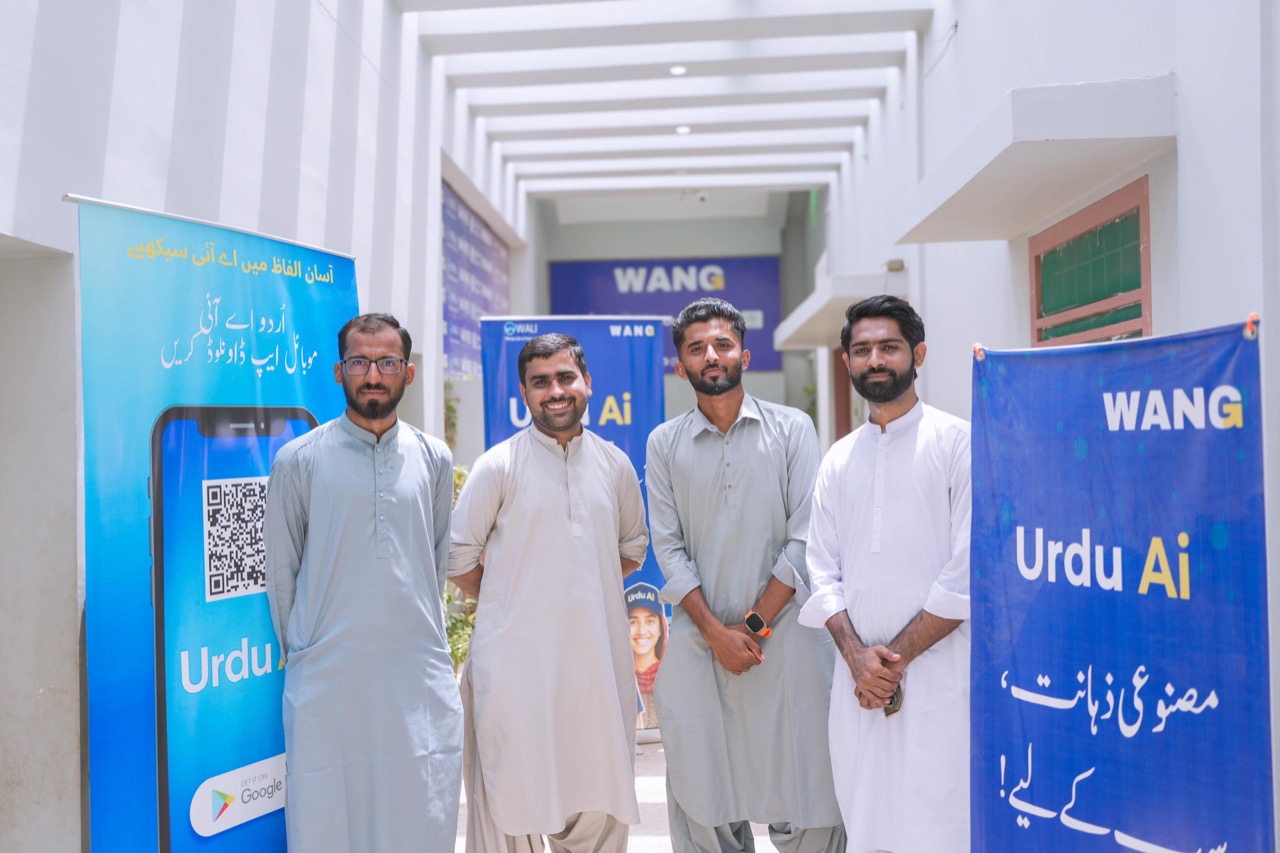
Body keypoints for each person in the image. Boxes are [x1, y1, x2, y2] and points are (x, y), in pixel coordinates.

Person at [645, 297, 845, 853]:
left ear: (744, 354)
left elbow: (805, 539)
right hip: (699, 646)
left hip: (787, 645)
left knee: (808, 791)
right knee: (703, 794)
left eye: (722, 344)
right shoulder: (664, 444)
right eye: (696, 348)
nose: (711, 355)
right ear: (680, 365)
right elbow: (669, 547)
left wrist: (752, 627)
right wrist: (716, 634)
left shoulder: (792, 429)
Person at [263, 313, 463, 852]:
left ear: (408, 373)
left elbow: (435, 559)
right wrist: (309, 654)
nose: (373, 374)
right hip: (329, 686)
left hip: (416, 682)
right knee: (328, 824)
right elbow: (282, 577)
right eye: (360, 362)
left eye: (387, 362)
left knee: (420, 819)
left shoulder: (434, 457)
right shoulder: (299, 460)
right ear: (339, 372)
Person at [449, 333, 649, 853]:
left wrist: (578, 589)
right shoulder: (499, 465)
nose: (555, 391)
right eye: (541, 382)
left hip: (596, 670)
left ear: (587, 383)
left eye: (565, 378)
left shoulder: (614, 465)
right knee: (510, 799)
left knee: (599, 800)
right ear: (523, 392)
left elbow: (630, 550)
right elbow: (457, 558)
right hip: (514, 673)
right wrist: (510, 598)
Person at [798, 295, 971, 853]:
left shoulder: (958, 443)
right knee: (867, 816)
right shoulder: (838, 459)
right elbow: (821, 570)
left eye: (889, 347)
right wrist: (856, 658)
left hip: (943, 677)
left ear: (917, 353)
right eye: (862, 349)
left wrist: (892, 662)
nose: (875, 359)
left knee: (941, 819)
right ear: (847, 361)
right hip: (859, 687)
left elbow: (967, 571)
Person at [625, 581, 667, 729]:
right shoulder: (617, 683)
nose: (642, 631)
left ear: (661, 628)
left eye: (650, 621)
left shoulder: (673, 678)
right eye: (633, 622)